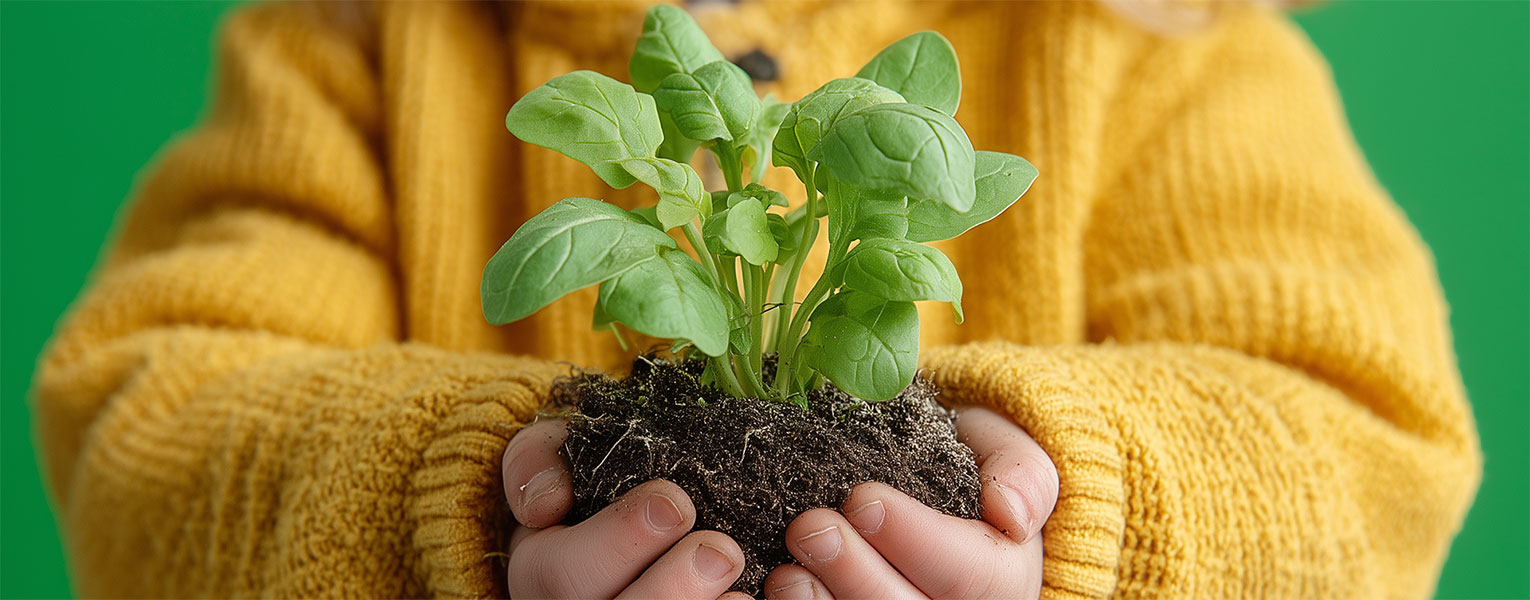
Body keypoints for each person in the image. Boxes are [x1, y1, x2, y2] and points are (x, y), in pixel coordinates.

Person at [32, 0, 1480, 598]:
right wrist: (461, 506)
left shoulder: (1168, 45)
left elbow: (1359, 435)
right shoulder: (351, 44)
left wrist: (1079, 509)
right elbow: (148, 416)